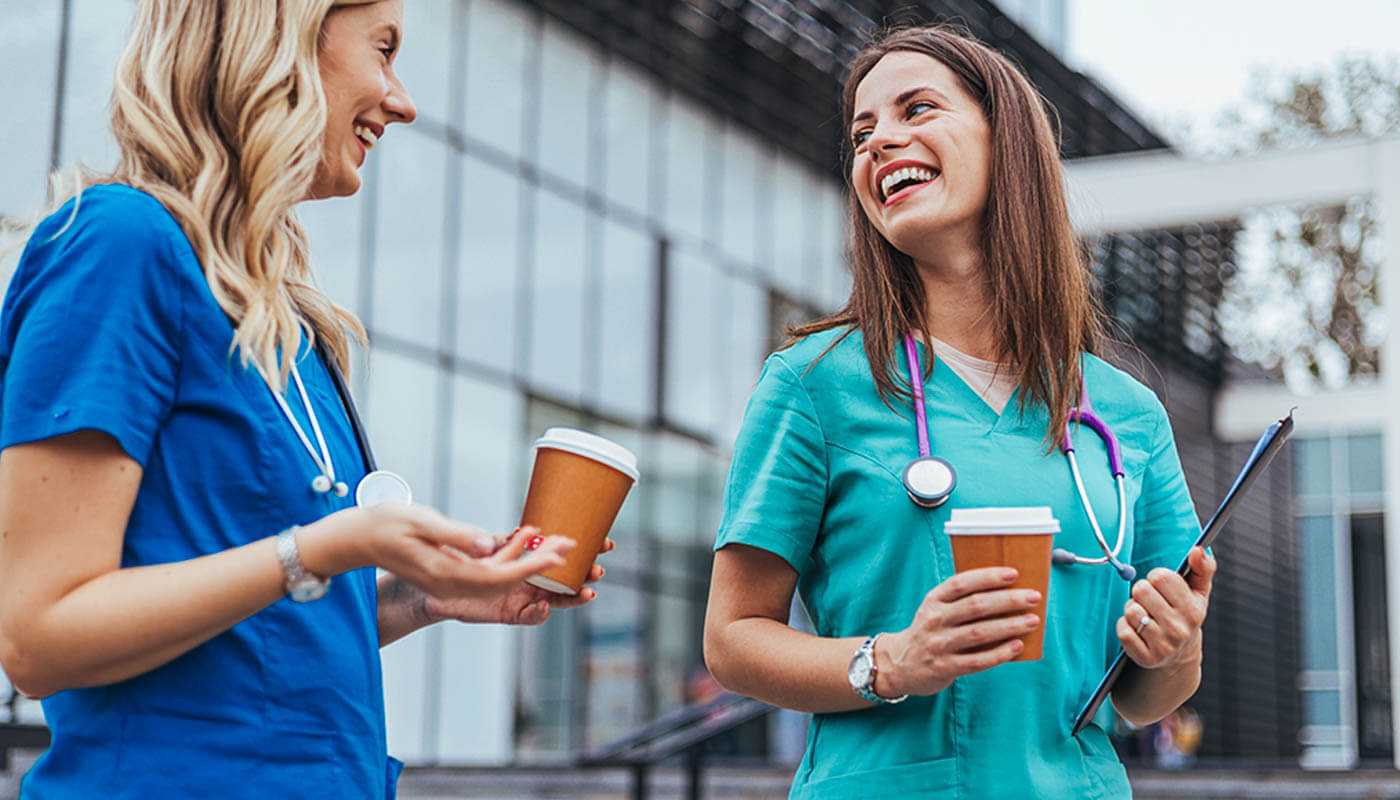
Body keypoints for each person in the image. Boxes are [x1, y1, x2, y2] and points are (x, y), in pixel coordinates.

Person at [0, 2, 603, 797]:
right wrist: (323, 549)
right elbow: (39, 636)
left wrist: (422, 596)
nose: (402, 99)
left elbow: (261, 639)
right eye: (383, 50)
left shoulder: (280, 317)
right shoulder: (119, 244)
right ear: (277, 38)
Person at [703, 24, 1217, 799]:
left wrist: (1173, 648)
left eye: (917, 109)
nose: (880, 142)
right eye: (863, 132)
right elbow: (733, 639)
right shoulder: (814, 384)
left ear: (1003, 138)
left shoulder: (1126, 413)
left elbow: (1145, 698)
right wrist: (890, 662)